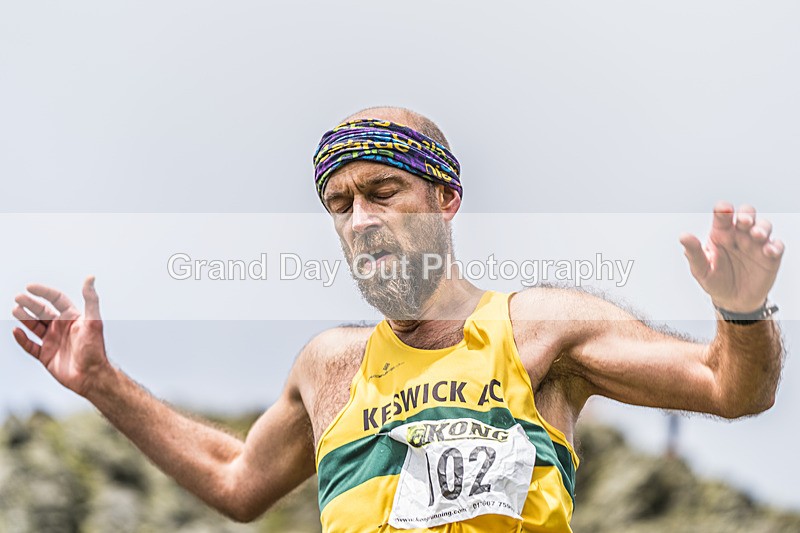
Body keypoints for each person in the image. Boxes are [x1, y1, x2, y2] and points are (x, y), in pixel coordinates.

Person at [11, 107, 785, 532]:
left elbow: (731, 386)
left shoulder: (539, 329)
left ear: (446, 199)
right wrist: (102, 382)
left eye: (383, 192)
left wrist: (742, 311)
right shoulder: (329, 366)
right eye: (340, 204)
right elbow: (235, 479)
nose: (360, 220)